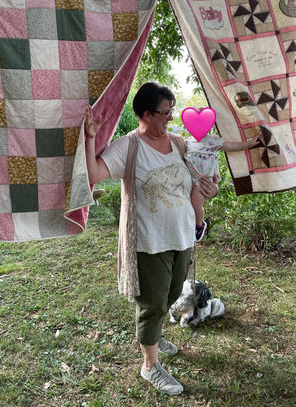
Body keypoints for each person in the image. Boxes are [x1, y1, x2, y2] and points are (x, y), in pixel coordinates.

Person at [84, 82, 218, 396]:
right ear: (146, 114)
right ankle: (149, 366)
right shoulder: (128, 147)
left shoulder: (179, 144)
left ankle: (155, 339)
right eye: (165, 113)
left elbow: (199, 181)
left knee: (171, 294)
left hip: (182, 235)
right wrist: (91, 138)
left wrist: (210, 190)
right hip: (148, 241)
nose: (170, 119)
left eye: (171, 112)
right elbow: (92, 174)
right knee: (152, 304)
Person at [184, 108, 259, 241]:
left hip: (203, 182)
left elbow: (231, 146)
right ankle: (190, 224)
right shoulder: (187, 142)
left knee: (196, 203)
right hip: (189, 179)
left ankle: (199, 225)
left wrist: (249, 144)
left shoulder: (212, 141)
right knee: (188, 204)